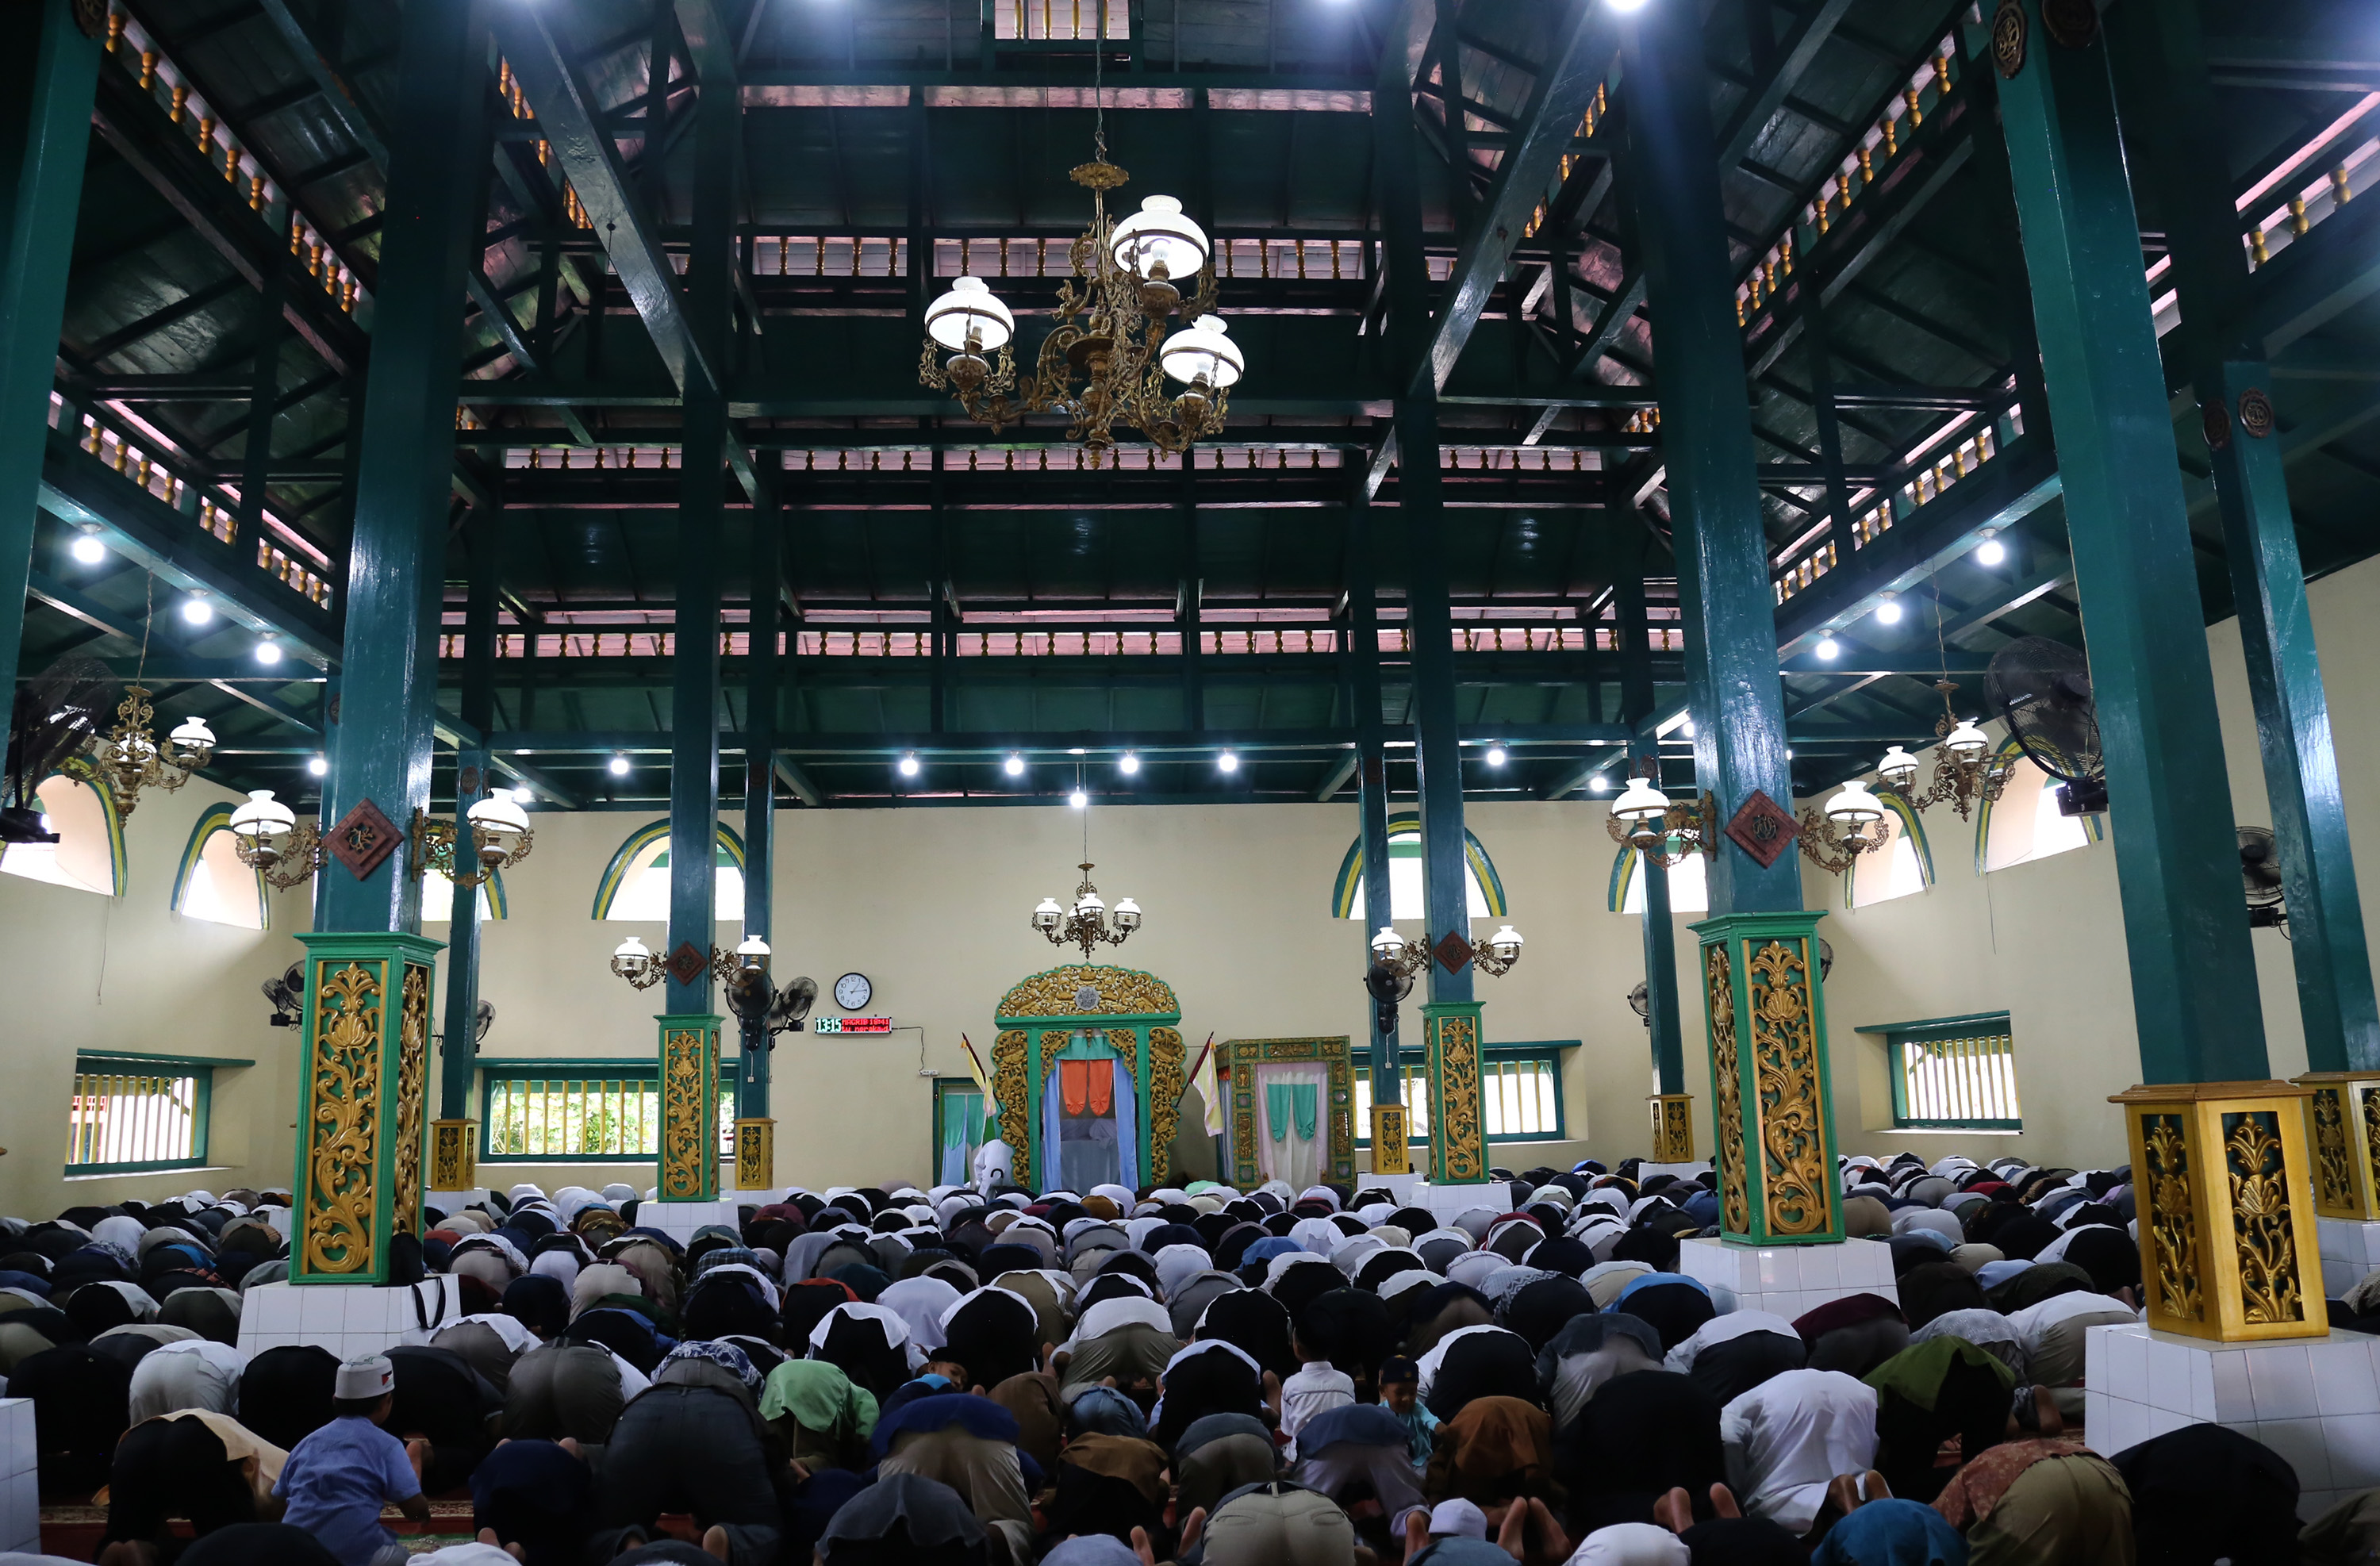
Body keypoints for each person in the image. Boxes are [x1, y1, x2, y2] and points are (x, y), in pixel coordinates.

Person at [272, 1353, 433, 1566]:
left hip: (295, 1553)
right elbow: (414, 1511)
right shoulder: (387, 1445)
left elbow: (279, 1499)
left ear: (335, 1400)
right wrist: (423, 1514)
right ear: (387, 1402)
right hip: (355, 1557)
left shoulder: (307, 1443)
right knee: (401, 1558)